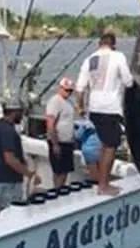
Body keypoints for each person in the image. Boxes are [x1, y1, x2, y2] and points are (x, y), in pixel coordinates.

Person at [75, 30, 133, 195]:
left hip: (94, 109)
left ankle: (101, 181)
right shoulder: (118, 56)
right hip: (110, 108)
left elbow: (79, 88)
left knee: (103, 145)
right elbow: (128, 81)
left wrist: (80, 107)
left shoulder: (89, 59)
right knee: (111, 147)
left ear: (99, 44)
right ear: (114, 44)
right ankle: (103, 186)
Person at [0, 102, 36, 213]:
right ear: (14, 112)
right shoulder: (7, 131)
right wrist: (28, 174)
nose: (22, 115)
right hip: (7, 180)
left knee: (2, 210)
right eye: (21, 112)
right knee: (12, 213)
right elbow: (9, 159)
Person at [45, 77, 76, 188]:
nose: (68, 93)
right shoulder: (55, 101)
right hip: (59, 142)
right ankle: (57, 190)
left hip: (67, 142)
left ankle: (60, 189)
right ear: (60, 88)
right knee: (59, 171)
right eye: (66, 90)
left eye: (70, 91)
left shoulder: (68, 103)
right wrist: (55, 144)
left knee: (65, 170)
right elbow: (50, 123)